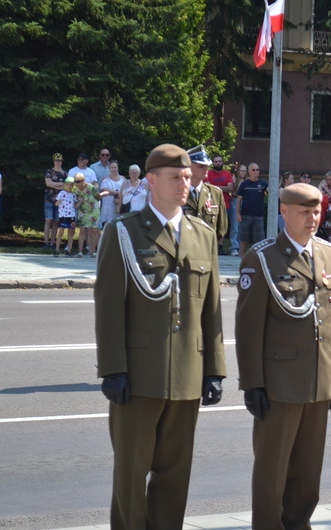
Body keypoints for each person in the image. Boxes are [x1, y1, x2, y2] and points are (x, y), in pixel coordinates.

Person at [95, 143, 226, 530]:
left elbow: (212, 308)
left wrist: (214, 368)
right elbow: (108, 306)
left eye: (188, 177)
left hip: (187, 373)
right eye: (176, 177)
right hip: (138, 375)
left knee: (175, 474)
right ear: (151, 180)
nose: (185, 183)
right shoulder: (123, 232)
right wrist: (113, 368)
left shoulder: (203, 234)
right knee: (131, 474)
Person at [235, 183, 331, 530]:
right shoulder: (263, 256)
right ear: (284, 211)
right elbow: (248, 327)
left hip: (318, 380)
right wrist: (253, 383)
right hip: (278, 384)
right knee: (273, 470)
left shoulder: (329, 253)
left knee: (308, 473)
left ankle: (298, 525)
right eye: (304, 211)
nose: (313, 218)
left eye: (317, 211)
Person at [184, 146, 228, 240]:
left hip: (206, 250)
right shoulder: (176, 192)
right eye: (201, 165)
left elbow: (221, 229)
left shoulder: (215, 193)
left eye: (207, 165)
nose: (206, 168)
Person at [236, 162, 268, 255]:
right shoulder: (244, 184)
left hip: (258, 216)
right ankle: (242, 260)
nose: (256, 172)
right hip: (245, 216)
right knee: (243, 240)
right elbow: (239, 200)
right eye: (253, 170)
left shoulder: (263, 184)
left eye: (257, 170)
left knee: (258, 241)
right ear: (249, 172)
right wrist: (237, 213)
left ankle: (257, 260)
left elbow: (270, 190)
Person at [207, 154, 234, 254]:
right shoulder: (208, 173)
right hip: (211, 204)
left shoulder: (227, 174)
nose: (218, 163)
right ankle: (211, 246)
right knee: (211, 226)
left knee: (222, 226)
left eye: (219, 161)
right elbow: (206, 186)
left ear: (222, 162)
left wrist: (214, 187)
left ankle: (220, 247)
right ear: (213, 163)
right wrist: (223, 188)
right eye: (216, 161)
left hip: (225, 204)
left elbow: (230, 188)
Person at [73, 172, 101, 257]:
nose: (77, 183)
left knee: (93, 231)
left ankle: (93, 251)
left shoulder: (91, 187)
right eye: (75, 181)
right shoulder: (75, 188)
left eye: (78, 181)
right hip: (83, 210)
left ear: (83, 180)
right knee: (82, 231)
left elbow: (98, 196)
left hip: (93, 209)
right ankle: (80, 251)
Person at [44, 153, 66, 248]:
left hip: (59, 200)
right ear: (53, 161)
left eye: (60, 160)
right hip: (48, 199)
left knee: (56, 222)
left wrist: (54, 183)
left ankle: (52, 243)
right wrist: (59, 183)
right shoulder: (49, 171)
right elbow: (48, 184)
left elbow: (65, 187)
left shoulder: (65, 173)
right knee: (48, 220)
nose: (58, 162)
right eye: (56, 160)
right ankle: (46, 242)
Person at [54, 177, 77, 257]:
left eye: (71, 185)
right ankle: (57, 250)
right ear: (65, 185)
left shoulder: (74, 194)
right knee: (61, 232)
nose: (69, 186)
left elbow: (75, 205)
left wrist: (80, 202)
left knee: (71, 233)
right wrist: (59, 201)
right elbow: (56, 204)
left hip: (71, 216)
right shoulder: (61, 193)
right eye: (68, 184)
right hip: (63, 215)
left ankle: (69, 250)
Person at [228, 163, 247, 255]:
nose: (243, 173)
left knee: (242, 227)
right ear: (238, 171)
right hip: (235, 202)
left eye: (244, 171)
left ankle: (241, 247)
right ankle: (234, 247)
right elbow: (230, 190)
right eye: (241, 171)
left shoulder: (247, 181)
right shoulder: (234, 180)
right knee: (235, 226)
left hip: (245, 203)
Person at [98, 160, 124, 228]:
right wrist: (117, 193)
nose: (113, 169)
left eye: (115, 167)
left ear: (117, 168)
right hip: (108, 205)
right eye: (112, 167)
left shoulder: (122, 179)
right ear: (109, 169)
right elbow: (104, 190)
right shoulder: (105, 179)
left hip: (119, 205)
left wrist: (118, 197)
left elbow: (125, 191)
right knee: (108, 226)